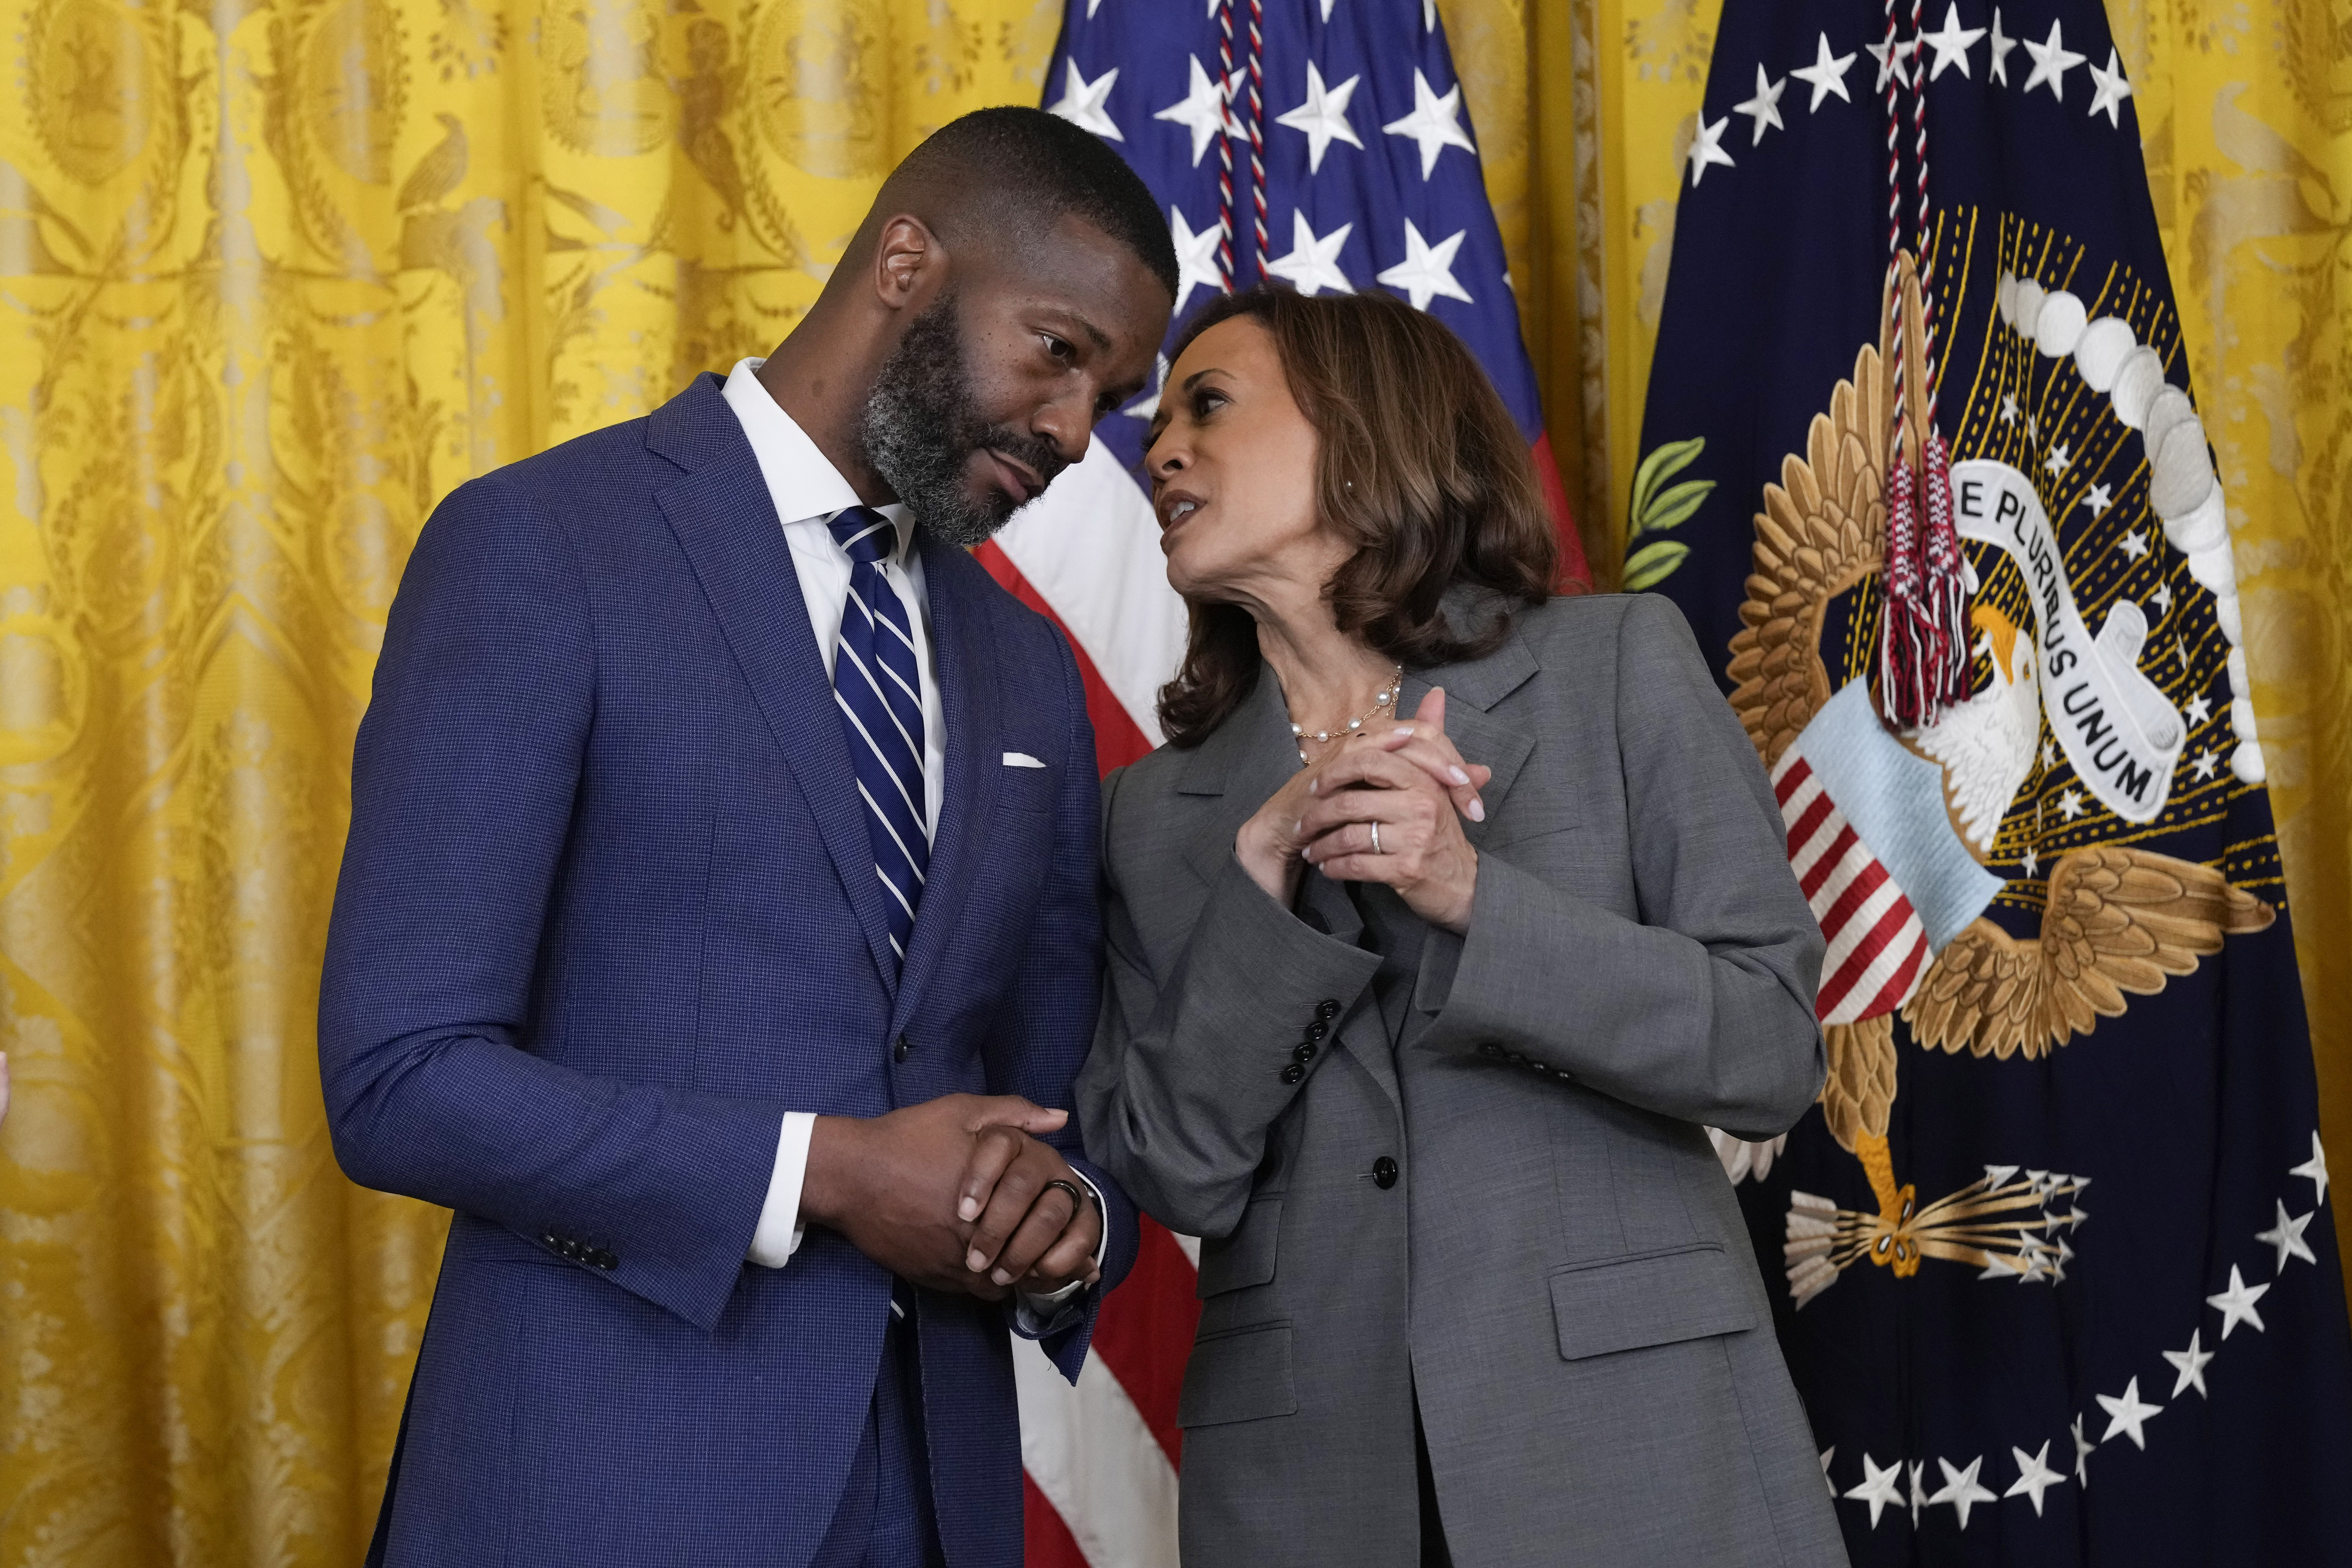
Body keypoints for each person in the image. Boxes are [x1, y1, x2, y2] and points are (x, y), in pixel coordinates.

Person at [319, 107, 1174, 1567]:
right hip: (605, 1485)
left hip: (937, 1489)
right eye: (1058, 350)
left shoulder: (1025, 666)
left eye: (1114, 390)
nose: (1074, 433)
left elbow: (1050, 1100)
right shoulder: (545, 543)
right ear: (907, 261)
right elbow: (403, 1076)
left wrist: (1070, 1222)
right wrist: (829, 1169)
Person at [1077, 286, 1849, 1567]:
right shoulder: (1156, 815)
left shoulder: (1617, 666)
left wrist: (1474, 898)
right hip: (1308, 1487)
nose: (1157, 450)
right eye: (1157, 424)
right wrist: (1260, 880)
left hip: (1637, 1456)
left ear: (1361, 423)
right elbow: (1173, 1169)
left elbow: (1769, 1052)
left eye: (1206, 405)